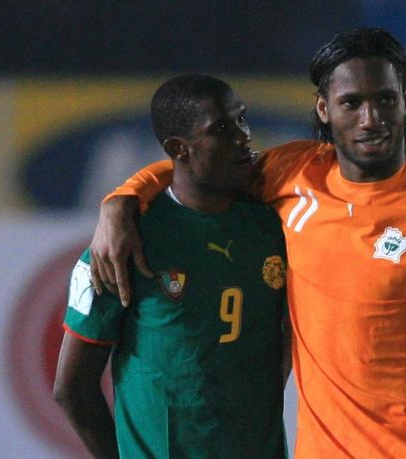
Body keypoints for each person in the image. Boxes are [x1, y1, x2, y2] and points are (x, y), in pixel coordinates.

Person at [89, 28, 406, 459]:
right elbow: (202, 167)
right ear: (324, 108)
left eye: (386, 99)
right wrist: (125, 196)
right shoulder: (292, 173)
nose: (371, 118)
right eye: (352, 102)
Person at [53, 74, 291, 459]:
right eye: (223, 128)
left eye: (242, 119)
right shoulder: (123, 244)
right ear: (180, 148)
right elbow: (72, 389)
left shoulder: (276, 226)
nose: (244, 136)